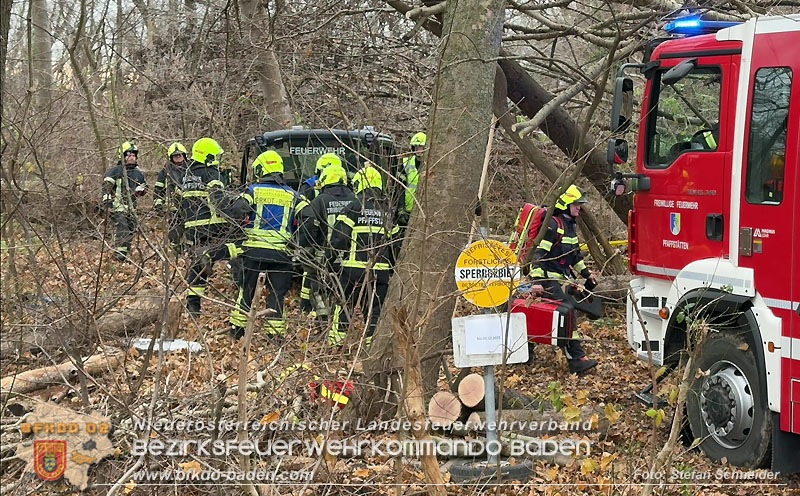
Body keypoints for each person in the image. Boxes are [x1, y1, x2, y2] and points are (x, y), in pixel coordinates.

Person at [217, 150, 298, 341]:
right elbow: (309, 215)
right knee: (277, 295)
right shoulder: (293, 195)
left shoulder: (253, 191)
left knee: (247, 291)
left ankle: (237, 332)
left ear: (261, 169)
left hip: (254, 253)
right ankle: (275, 336)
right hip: (281, 254)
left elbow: (237, 209)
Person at [530, 184, 599, 375]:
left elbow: (575, 257)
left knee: (559, 315)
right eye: (576, 204)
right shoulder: (553, 225)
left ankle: (529, 352)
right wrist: (537, 282)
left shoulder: (570, 226)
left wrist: (586, 275)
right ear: (566, 204)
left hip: (562, 280)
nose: (579, 207)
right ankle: (576, 360)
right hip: (547, 280)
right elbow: (539, 255)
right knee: (565, 314)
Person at [329, 165, 399, 347]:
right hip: (381, 272)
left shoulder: (354, 207)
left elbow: (339, 237)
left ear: (359, 183)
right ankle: (371, 346)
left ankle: (338, 344)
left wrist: (332, 259)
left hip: (353, 271)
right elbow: (396, 245)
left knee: (343, 306)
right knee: (375, 311)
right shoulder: (389, 212)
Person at [296, 160, 357, 331]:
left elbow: (309, 227)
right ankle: (341, 326)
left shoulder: (320, 201)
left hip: (323, 255)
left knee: (318, 291)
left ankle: (323, 323)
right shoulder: (355, 200)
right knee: (343, 291)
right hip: (348, 257)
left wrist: (305, 251)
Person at [180, 137, 229, 316]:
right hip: (212, 225)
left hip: (192, 228)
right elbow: (220, 201)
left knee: (196, 266)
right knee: (238, 249)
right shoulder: (212, 175)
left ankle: (193, 306)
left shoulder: (187, 176)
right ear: (208, 156)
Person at [298, 153, 342, 316]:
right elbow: (302, 209)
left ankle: (312, 308)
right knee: (312, 272)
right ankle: (306, 305)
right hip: (319, 232)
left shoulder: (312, 186)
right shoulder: (309, 186)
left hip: (322, 234)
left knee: (313, 272)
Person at [102, 141, 147, 261]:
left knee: (131, 230)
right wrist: (107, 200)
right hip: (118, 206)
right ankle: (119, 255)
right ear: (122, 156)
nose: (131, 158)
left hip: (132, 208)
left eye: (133, 155)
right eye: (128, 155)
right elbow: (106, 187)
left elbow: (144, 187)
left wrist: (141, 191)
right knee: (123, 229)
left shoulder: (138, 173)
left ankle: (124, 254)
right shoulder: (116, 171)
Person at [154, 142, 188, 252]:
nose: (178, 157)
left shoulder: (191, 169)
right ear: (171, 157)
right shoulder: (165, 172)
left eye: (179, 155)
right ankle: (175, 251)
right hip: (172, 207)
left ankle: (188, 251)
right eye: (175, 156)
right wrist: (158, 205)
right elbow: (158, 190)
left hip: (189, 206)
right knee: (175, 232)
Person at [396, 132, 425, 229]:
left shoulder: (432, 164)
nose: (418, 150)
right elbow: (399, 189)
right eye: (416, 147)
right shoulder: (406, 164)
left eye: (420, 147)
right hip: (408, 210)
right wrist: (401, 208)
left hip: (424, 210)